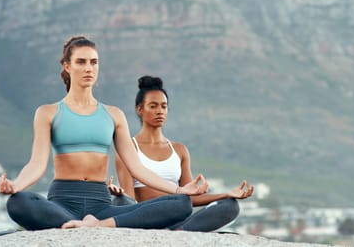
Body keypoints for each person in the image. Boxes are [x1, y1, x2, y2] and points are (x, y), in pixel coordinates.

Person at [0, 36, 208, 231]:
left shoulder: (113, 115)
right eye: (81, 62)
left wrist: (179, 190)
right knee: (18, 202)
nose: (88, 68)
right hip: (62, 202)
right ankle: (76, 223)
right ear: (67, 66)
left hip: (101, 205)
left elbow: (137, 168)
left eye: (93, 62)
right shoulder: (47, 113)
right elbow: (37, 164)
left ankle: (100, 224)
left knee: (181, 204)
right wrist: (15, 185)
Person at [108, 75, 253, 232]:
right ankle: (179, 231)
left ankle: (180, 231)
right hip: (145, 219)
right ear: (139, 109)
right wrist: (120, 194)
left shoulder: (179, 150)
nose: (160, 111)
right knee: (121, 201)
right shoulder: (129, 149)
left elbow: (191, 197)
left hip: (178, 217)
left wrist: (226, 194)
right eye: (153, 106)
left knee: (230, 205)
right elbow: (129, 203)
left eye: (164, 106)